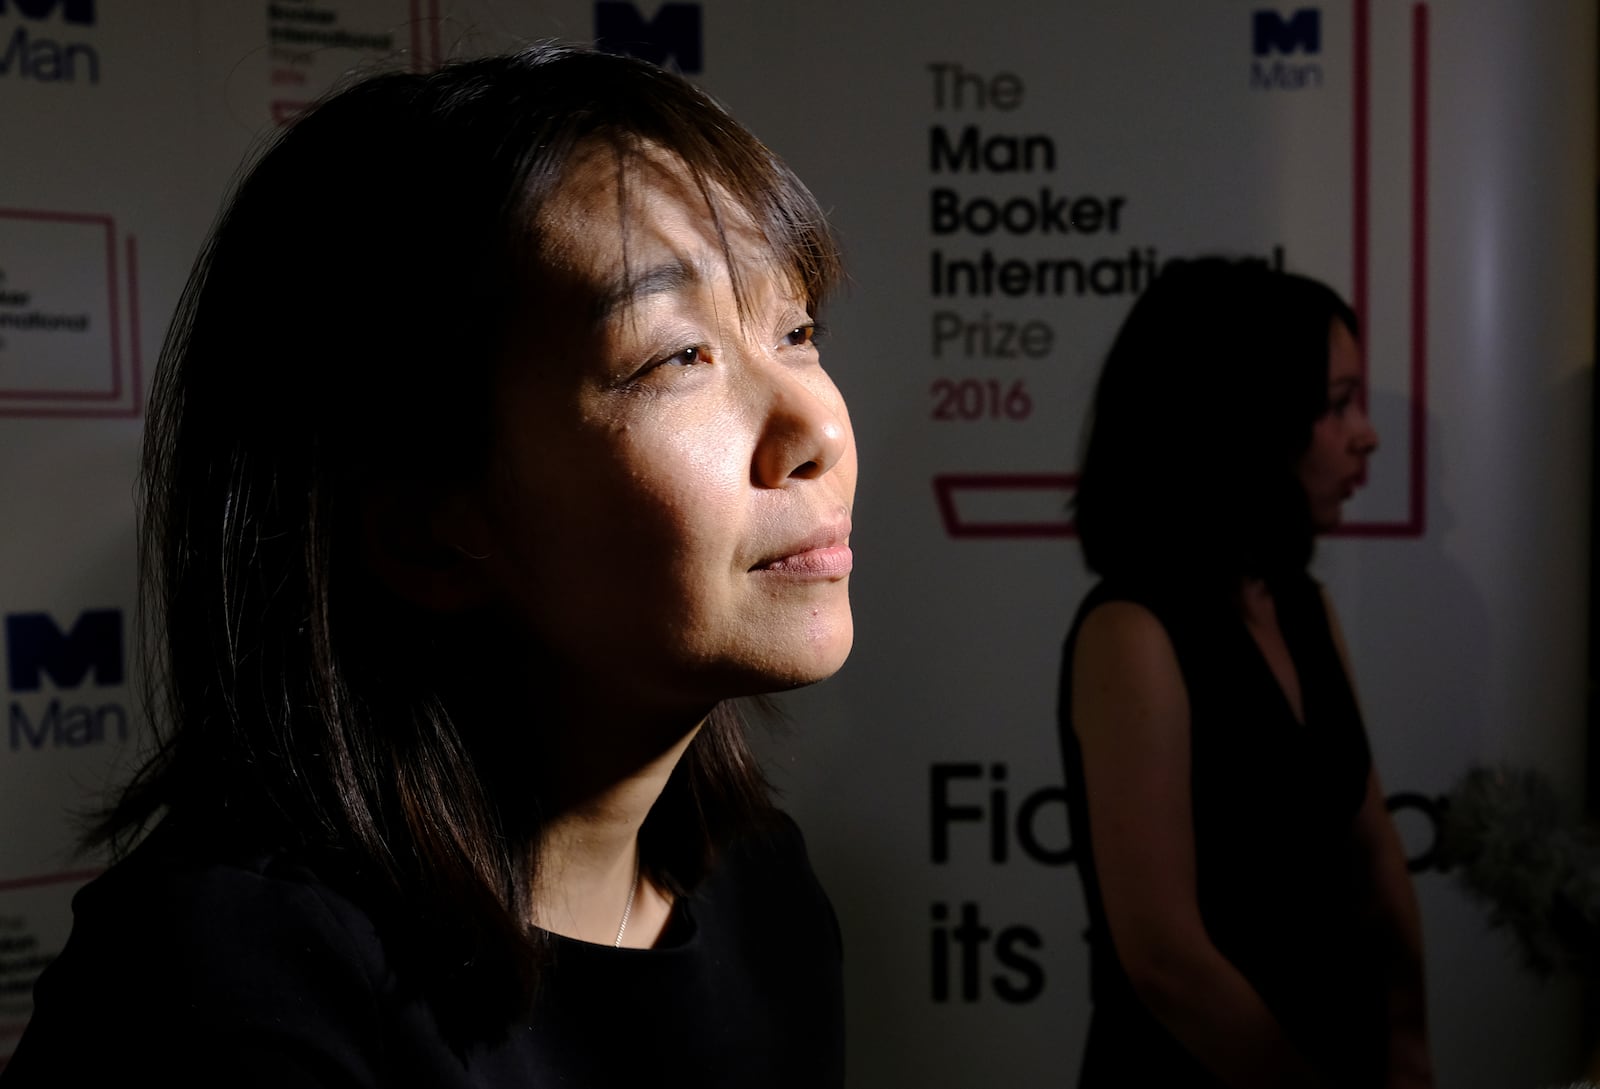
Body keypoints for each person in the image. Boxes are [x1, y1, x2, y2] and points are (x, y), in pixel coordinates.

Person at [2, 43, 855, 1088]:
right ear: (425, 531)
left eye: (796, 329)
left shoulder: (763, 893)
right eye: (677, 354)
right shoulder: (219, 983)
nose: (815, 421)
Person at [1058, 258, 1432, 1088]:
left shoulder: (1301, 604)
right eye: (1337, 405)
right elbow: (1166, 960)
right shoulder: (1131, 632)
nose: (1366, 432)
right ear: (1246, 419)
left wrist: (1407, 1045)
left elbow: (1373, 853)